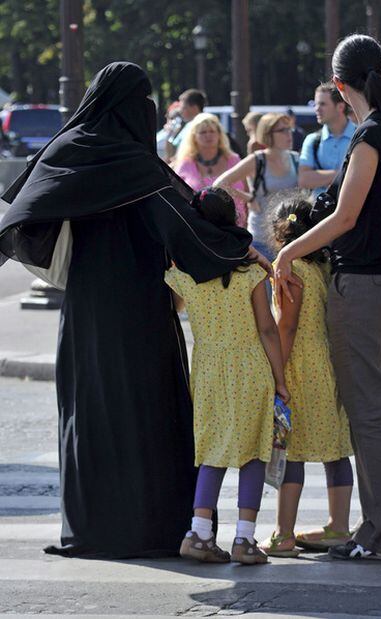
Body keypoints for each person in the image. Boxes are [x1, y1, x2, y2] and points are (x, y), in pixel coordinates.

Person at [0, 62, 262, 560]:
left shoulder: (68, 149)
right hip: (139, 310)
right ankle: (150, 528)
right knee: (146, 412)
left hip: (83, 310)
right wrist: (240, 249)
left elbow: (22, 212)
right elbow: (185, 227)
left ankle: (94, 528)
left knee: (92, 412)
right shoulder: (135, 166)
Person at [274, 35, 381, 561]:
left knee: (368, 414)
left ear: (339, 84)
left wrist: (289, 254)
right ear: (380, 70)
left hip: (364, 285)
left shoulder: (372, 134)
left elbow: (346, 215)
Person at [164, 186, 289, 565]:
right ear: (234, 221)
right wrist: (281, 380)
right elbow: (268, 329)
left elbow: (175, 303)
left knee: (212, 449)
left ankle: (199, 533)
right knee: (253, 451)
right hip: (250, 366)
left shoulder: (184, 270)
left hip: (208, 369)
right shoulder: (249, 270)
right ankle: (244, 539)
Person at [259, 195, 353, 558]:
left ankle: (283, 534)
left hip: (299, 363)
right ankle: (339, 526)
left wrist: (277, 374)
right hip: (326, 360)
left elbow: (286, 327)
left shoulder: (289, 269)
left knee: (292, 449)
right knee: (336, 449)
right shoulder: (324, 267)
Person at [214, 112, 299, 262]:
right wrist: (249, 198)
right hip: (261, 239)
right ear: (267, 134)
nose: (289, 134)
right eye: (282, 130)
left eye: (289, 129)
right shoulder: (258, 160)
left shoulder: (295, 158)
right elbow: (220, 184)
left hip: (292, 239)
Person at [173, 112, 248, 226]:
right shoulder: (185, 164)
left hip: (235, 228)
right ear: (194, 137)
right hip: (198, 229)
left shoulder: (234, 160)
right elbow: (177, 200)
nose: (208, 135)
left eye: (212, 131)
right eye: (203, 132)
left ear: (219, 134)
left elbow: (247, 194)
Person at [299, 82, 355, 196]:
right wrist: (345, 175)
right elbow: (304, 179)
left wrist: (320, 177)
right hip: (319, 212)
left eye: (322, 104)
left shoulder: (361, 136)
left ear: (340, 107)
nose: (316, 109)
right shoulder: (312, 140)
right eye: (315, 104)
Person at [169, 88, 207, 155]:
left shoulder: (203, 128)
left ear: (194, 108)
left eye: (183, 108)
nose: (180, 111)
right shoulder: (188, 125)